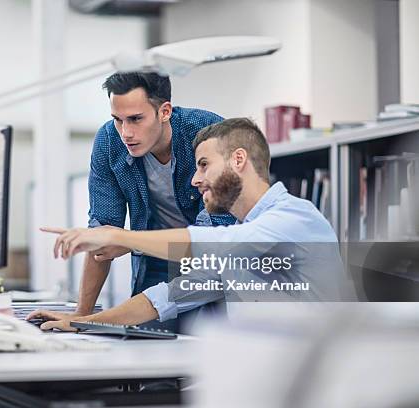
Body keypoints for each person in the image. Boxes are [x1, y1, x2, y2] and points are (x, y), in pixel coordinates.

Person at [29, 118, 349, 331]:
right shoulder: (240, 244)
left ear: (238, 160)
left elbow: (213, 243)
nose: (195, 179)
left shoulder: (295, 218)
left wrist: (118, 236)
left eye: (204, 165)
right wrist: (83, 322)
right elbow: (166, 298)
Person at [54, 71, 235, 328]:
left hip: (213, 260)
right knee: (146, 342)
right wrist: (81, 316)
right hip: (154, 260)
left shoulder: (208, 133)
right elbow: (102, 231)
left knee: (209, 343)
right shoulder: (109, 142)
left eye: (136, 119)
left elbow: (210, 237)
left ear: (165, 111)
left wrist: (126, 241)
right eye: (118, 120)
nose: (125, 132)